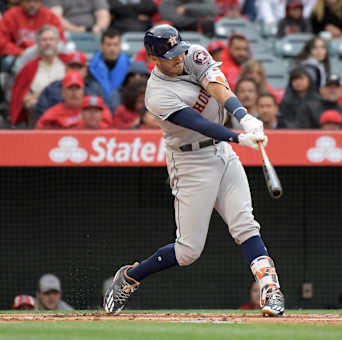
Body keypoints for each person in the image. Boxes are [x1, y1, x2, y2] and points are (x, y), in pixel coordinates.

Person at [103, 24, 285, 317]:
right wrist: (238, 137)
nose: (178, 58)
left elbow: (217, 85)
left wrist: (243, 117)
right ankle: (131, 277)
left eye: (179, 51)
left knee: (245, 224)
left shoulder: (192, 54)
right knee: (188, 251)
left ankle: (270, 290)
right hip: (190, 162)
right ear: (154, 58)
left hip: (222, 151)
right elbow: (196, 123)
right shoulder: (157, 94)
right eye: (170, 56)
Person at [9, 25, 68, 126]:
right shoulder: (29, 68)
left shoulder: (67, 63)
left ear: (57, 42)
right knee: (32, 105)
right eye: (44, 40)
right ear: (37, 43)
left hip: (65, 105)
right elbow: (21, 96)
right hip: (40, 108)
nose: (48, 43)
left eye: (51, 39)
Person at [36, 51, 107, 119]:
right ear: (65, 69)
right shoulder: (51, 89)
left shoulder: (96, 89)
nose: (75, 70)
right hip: (58, 128)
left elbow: (104, 115)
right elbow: (41, 115)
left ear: (85, 70)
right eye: (72, 67)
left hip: (87, 129)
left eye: (79, 67)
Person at [36, 71, 112, 128]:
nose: (74, 93)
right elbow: (40, 134)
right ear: (62, 91)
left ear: (83, 90)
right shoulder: (52, 114)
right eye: (70, 88)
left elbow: (109, 129)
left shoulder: (96, 107)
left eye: (77, 88)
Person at [0, 0, 64, 58]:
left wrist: (46, 51)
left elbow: (60, 39)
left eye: (36, 1)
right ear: (21, 2)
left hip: (46, 54)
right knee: (8, 59)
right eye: (28, 1)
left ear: (41, 2)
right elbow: (2, 41)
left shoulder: (49, 16)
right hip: (19, 55)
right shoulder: (11, 15)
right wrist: (21, 52)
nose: (32, 5)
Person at [89, 28, 131, 100]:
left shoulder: (130, 69)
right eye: (108, 45)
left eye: (115, 45)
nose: (112, 48)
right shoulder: (91, 69)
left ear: (120, 46)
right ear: (101, 47)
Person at [44, 0, 111, 35]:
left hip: (93, 33)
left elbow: (103, 15)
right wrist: (76, 30)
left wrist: (98, 28)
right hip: (67, 33)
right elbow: (56, 17)